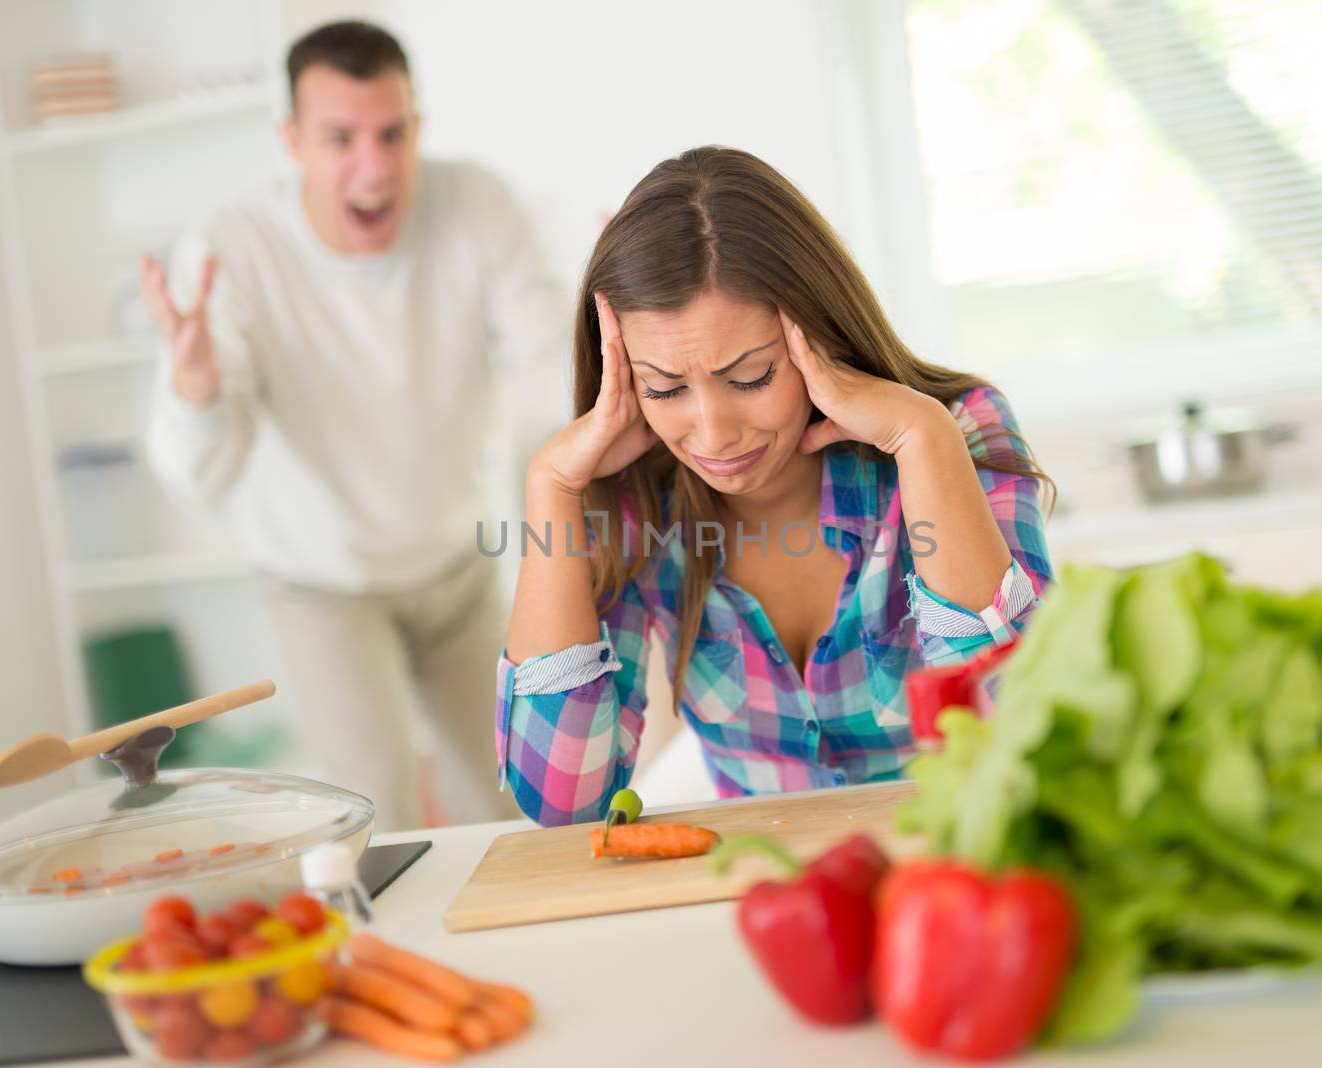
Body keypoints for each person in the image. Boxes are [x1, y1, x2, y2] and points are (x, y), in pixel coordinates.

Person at [496, 146, 1053, 827]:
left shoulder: (956, 430)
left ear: (816, 333)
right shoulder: (633, 495)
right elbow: (563, 802)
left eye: (750, 377)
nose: (713, 432)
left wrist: (921, 437)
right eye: (665, 388)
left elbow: (1029, 735)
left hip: (960, 875)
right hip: (768, 897)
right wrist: (551, 486)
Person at [141, 20, 565, 829]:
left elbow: (551, 376)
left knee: (517, 796)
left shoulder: (477, 204)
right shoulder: (235, 246)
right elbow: (203, 472)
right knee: (374, 815)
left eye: (391, 132)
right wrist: (194, 390)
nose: (373, 167)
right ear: (292, 142)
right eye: (340, 138)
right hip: (319, 581)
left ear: (417, 127)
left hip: (455, 565)